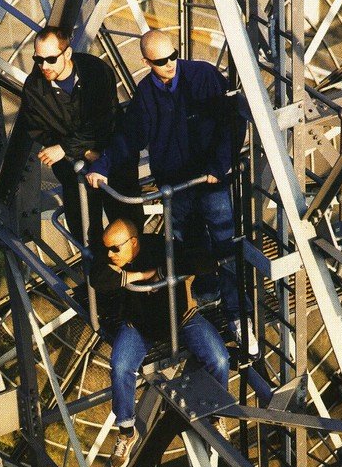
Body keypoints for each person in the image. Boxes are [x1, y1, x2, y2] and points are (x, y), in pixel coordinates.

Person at [87, 30, 259, 358]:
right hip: (176, 189)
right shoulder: (147, 94)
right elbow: (129, 137)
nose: (170, 64)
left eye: (173, 56)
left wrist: (219, 165)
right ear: (146, 62)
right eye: (161, 61)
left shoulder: (203, 77)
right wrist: (103, 166)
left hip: (209, 182)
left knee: (225, 247)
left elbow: (231, 123)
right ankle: (203, 297)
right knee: (186, 248)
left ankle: (238, 315)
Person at [90, 218, 230, 467]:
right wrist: (143, 276)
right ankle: (126, 431)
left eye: (115, 249)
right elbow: (97, 278)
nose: (109, 255)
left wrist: (166, 271)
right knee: (120, 367)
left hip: (182, 320)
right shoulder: (114, 258)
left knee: (219, 359)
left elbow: (204, 262)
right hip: (140, 327)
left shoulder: (160, 247)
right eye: (107, 249)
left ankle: (216, 414)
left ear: (133, 242)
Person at [20, 26, 143, 244]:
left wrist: (65, 148)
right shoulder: (34, 88)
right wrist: (85, 151)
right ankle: (97, 262)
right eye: (38, 59)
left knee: (128, 227)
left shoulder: (96, 71)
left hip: (112, 159)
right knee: (85, 233)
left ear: (67, 53)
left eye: (50, 59)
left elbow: (103, 122)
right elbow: (39, 130)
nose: (44, 66)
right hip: (74, 171)